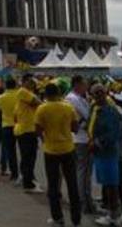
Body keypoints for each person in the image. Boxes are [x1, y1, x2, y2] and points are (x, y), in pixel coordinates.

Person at [36, 82, 82, 227]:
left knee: (53, 185)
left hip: (51, 150)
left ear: (46, 94)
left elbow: (38, 129)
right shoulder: (68, 107)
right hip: (68, 148)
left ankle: (57, 218)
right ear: (58, 93)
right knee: (72, 185)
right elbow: (75, 128)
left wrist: (44, 139)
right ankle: (76, 219)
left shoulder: (42, 108)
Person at [89, 83, 122, 226]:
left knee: (111, 185)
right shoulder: (96, 109)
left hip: (107, 152)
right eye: (95, 93)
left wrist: (96, 143)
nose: (98, 95)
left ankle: (114, 216)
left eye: (101, 92)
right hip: (100, 153)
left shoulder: (110, 111)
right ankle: (112, 212)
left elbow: (112, 134)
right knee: (106, 184)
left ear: (106, 93)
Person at [65, 75, 95, 214]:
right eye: (84, 84)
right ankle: (83, 201)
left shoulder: (80, 98)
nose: (86, 87)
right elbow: (87, 115)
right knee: (83, 172)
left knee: (86, 173)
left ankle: (87, 200)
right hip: (80, 139)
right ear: (77, 85)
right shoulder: (73, 99)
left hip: (83, 138)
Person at [14, 74, 42, 192]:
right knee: (29, 158)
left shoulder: (24, 93)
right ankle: (28, 183)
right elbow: (37, 102)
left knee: (27, 157)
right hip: (27, 129)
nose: (33, 84)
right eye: (30, 82)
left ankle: (25, 177)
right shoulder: (23, 92)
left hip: (26, 128)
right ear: (24, 81)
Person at [0, 77, 19, 182]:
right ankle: (25, 173)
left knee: (11, 151)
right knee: (24, 151)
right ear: (15, 85)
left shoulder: (0, 97)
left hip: (6, 125)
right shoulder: (20, 96)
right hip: (19, 124)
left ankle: (14, 173)